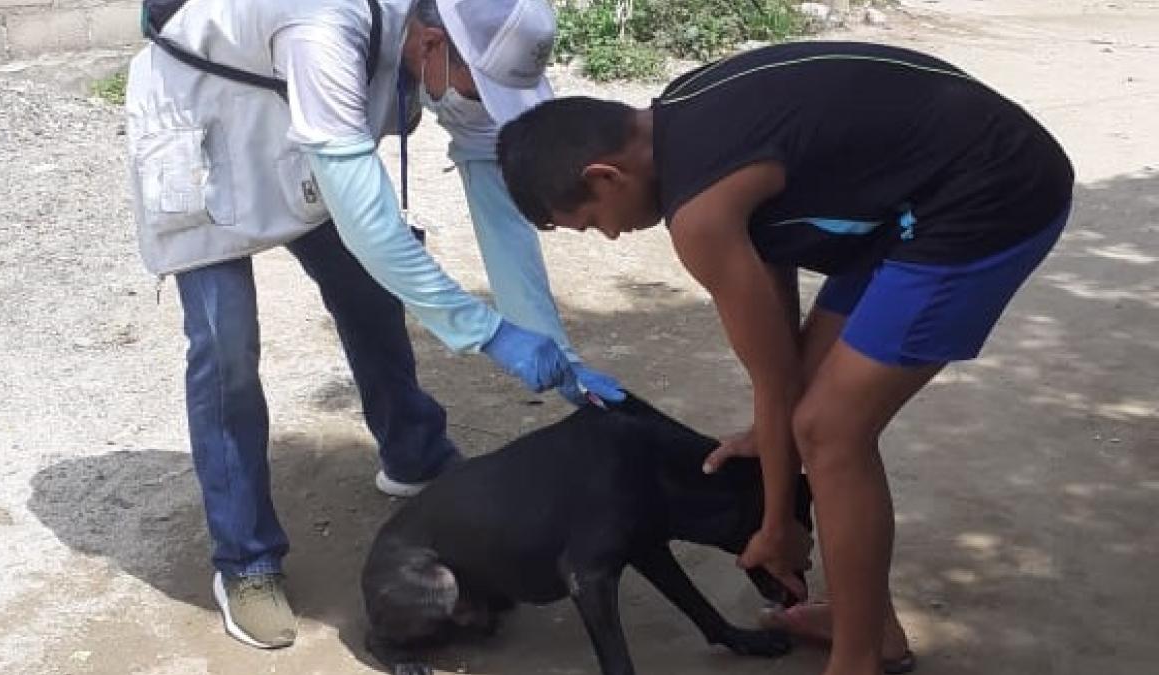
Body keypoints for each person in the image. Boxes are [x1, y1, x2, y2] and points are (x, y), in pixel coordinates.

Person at [496, 41, 1074, 675]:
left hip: (990, 192)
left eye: (591, 222)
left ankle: (859, 660)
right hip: (918, 194)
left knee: (830, 431)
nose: (608, 236)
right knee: (810, 414)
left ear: (604, 176)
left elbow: (775, 384)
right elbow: (781, 367)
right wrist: (772, 441)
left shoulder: (700, 214)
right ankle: (869, 622)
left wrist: (776, 527)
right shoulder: (680, 118)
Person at [124, 0, 623, 650]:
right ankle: (245, 559)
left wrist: (553, 347)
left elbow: (489, 180)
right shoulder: (324, 26)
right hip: (201, 123)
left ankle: (414, 452)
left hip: (296, 124)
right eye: (481, 87)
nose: (481, 101)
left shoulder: (446, 29)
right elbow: (372, 231)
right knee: (227, 348)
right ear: (433, 44)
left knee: (369, 298)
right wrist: (490, 332)